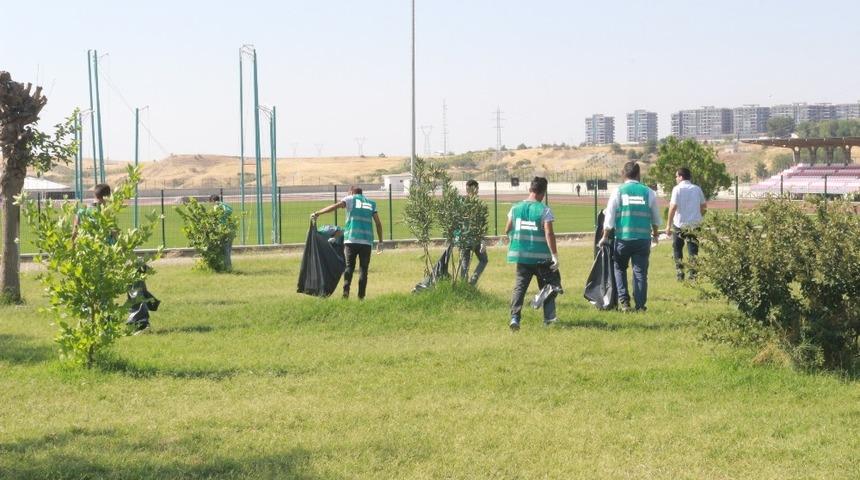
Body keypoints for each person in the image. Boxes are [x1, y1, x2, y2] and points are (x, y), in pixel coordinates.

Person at [597, 162, 662, 312]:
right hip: (643, 239)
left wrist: (605, 236)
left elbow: (610, 216)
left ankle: (624, 302)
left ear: (623, 174)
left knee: (619, 268)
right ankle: (640, 306)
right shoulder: (648, 192)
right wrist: (656, 234)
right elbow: (655, 217)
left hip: (623, 238)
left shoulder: (619, 191)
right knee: (640, 272)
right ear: (639, 175)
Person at [506, 177, 560, 331]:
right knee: (549, 286)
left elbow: (507, 229)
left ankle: (515, 318)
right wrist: (555, 256)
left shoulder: (515, 208)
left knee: (519, 287)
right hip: (542, 259)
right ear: (543, 192)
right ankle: (549, 319)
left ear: (530, 189)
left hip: (522, 256)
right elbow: (549, 234)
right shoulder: (544, 210)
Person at [311, 186, 384, 299]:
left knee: (349, 267)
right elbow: (378, 224)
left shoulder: (350, 199)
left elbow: (335, 206)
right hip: (366, 242)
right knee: (363, 269)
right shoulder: (371, 203)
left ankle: (345, 293)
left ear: (351, 193)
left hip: (351, 240)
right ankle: (361, 297)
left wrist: (318, 213)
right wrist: (380, 242)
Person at [665, 167, 707, 281]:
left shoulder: (677, 189)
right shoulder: (697, 189)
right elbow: (704, 206)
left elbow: (673, 207)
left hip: (679, 224)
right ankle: (693, 275)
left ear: (681, 177)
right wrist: (699, 216)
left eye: (676, 176)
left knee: (677, 248)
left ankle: (680, 273)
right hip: (694, 224)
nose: (676, 179)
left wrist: (668, 224)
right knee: (693, 250)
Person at [458, 179, 488, 286]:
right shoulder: (479, 204)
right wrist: (483, 240)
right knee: (483, 260)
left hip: (464, 239)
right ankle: (472, 282)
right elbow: (481, 223)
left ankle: (463, 286)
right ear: (475, 189)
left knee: (464, 264)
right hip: (475, 239)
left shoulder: (461, 202)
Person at [209, 194, 234, 271]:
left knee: (224, 250)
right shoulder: (225, 205)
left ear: (213, 200)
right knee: (228, 250)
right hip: (230, 229)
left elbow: (216, 219)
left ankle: (226, 268)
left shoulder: (216, 207)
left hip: (222, 230)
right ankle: (228, 266)